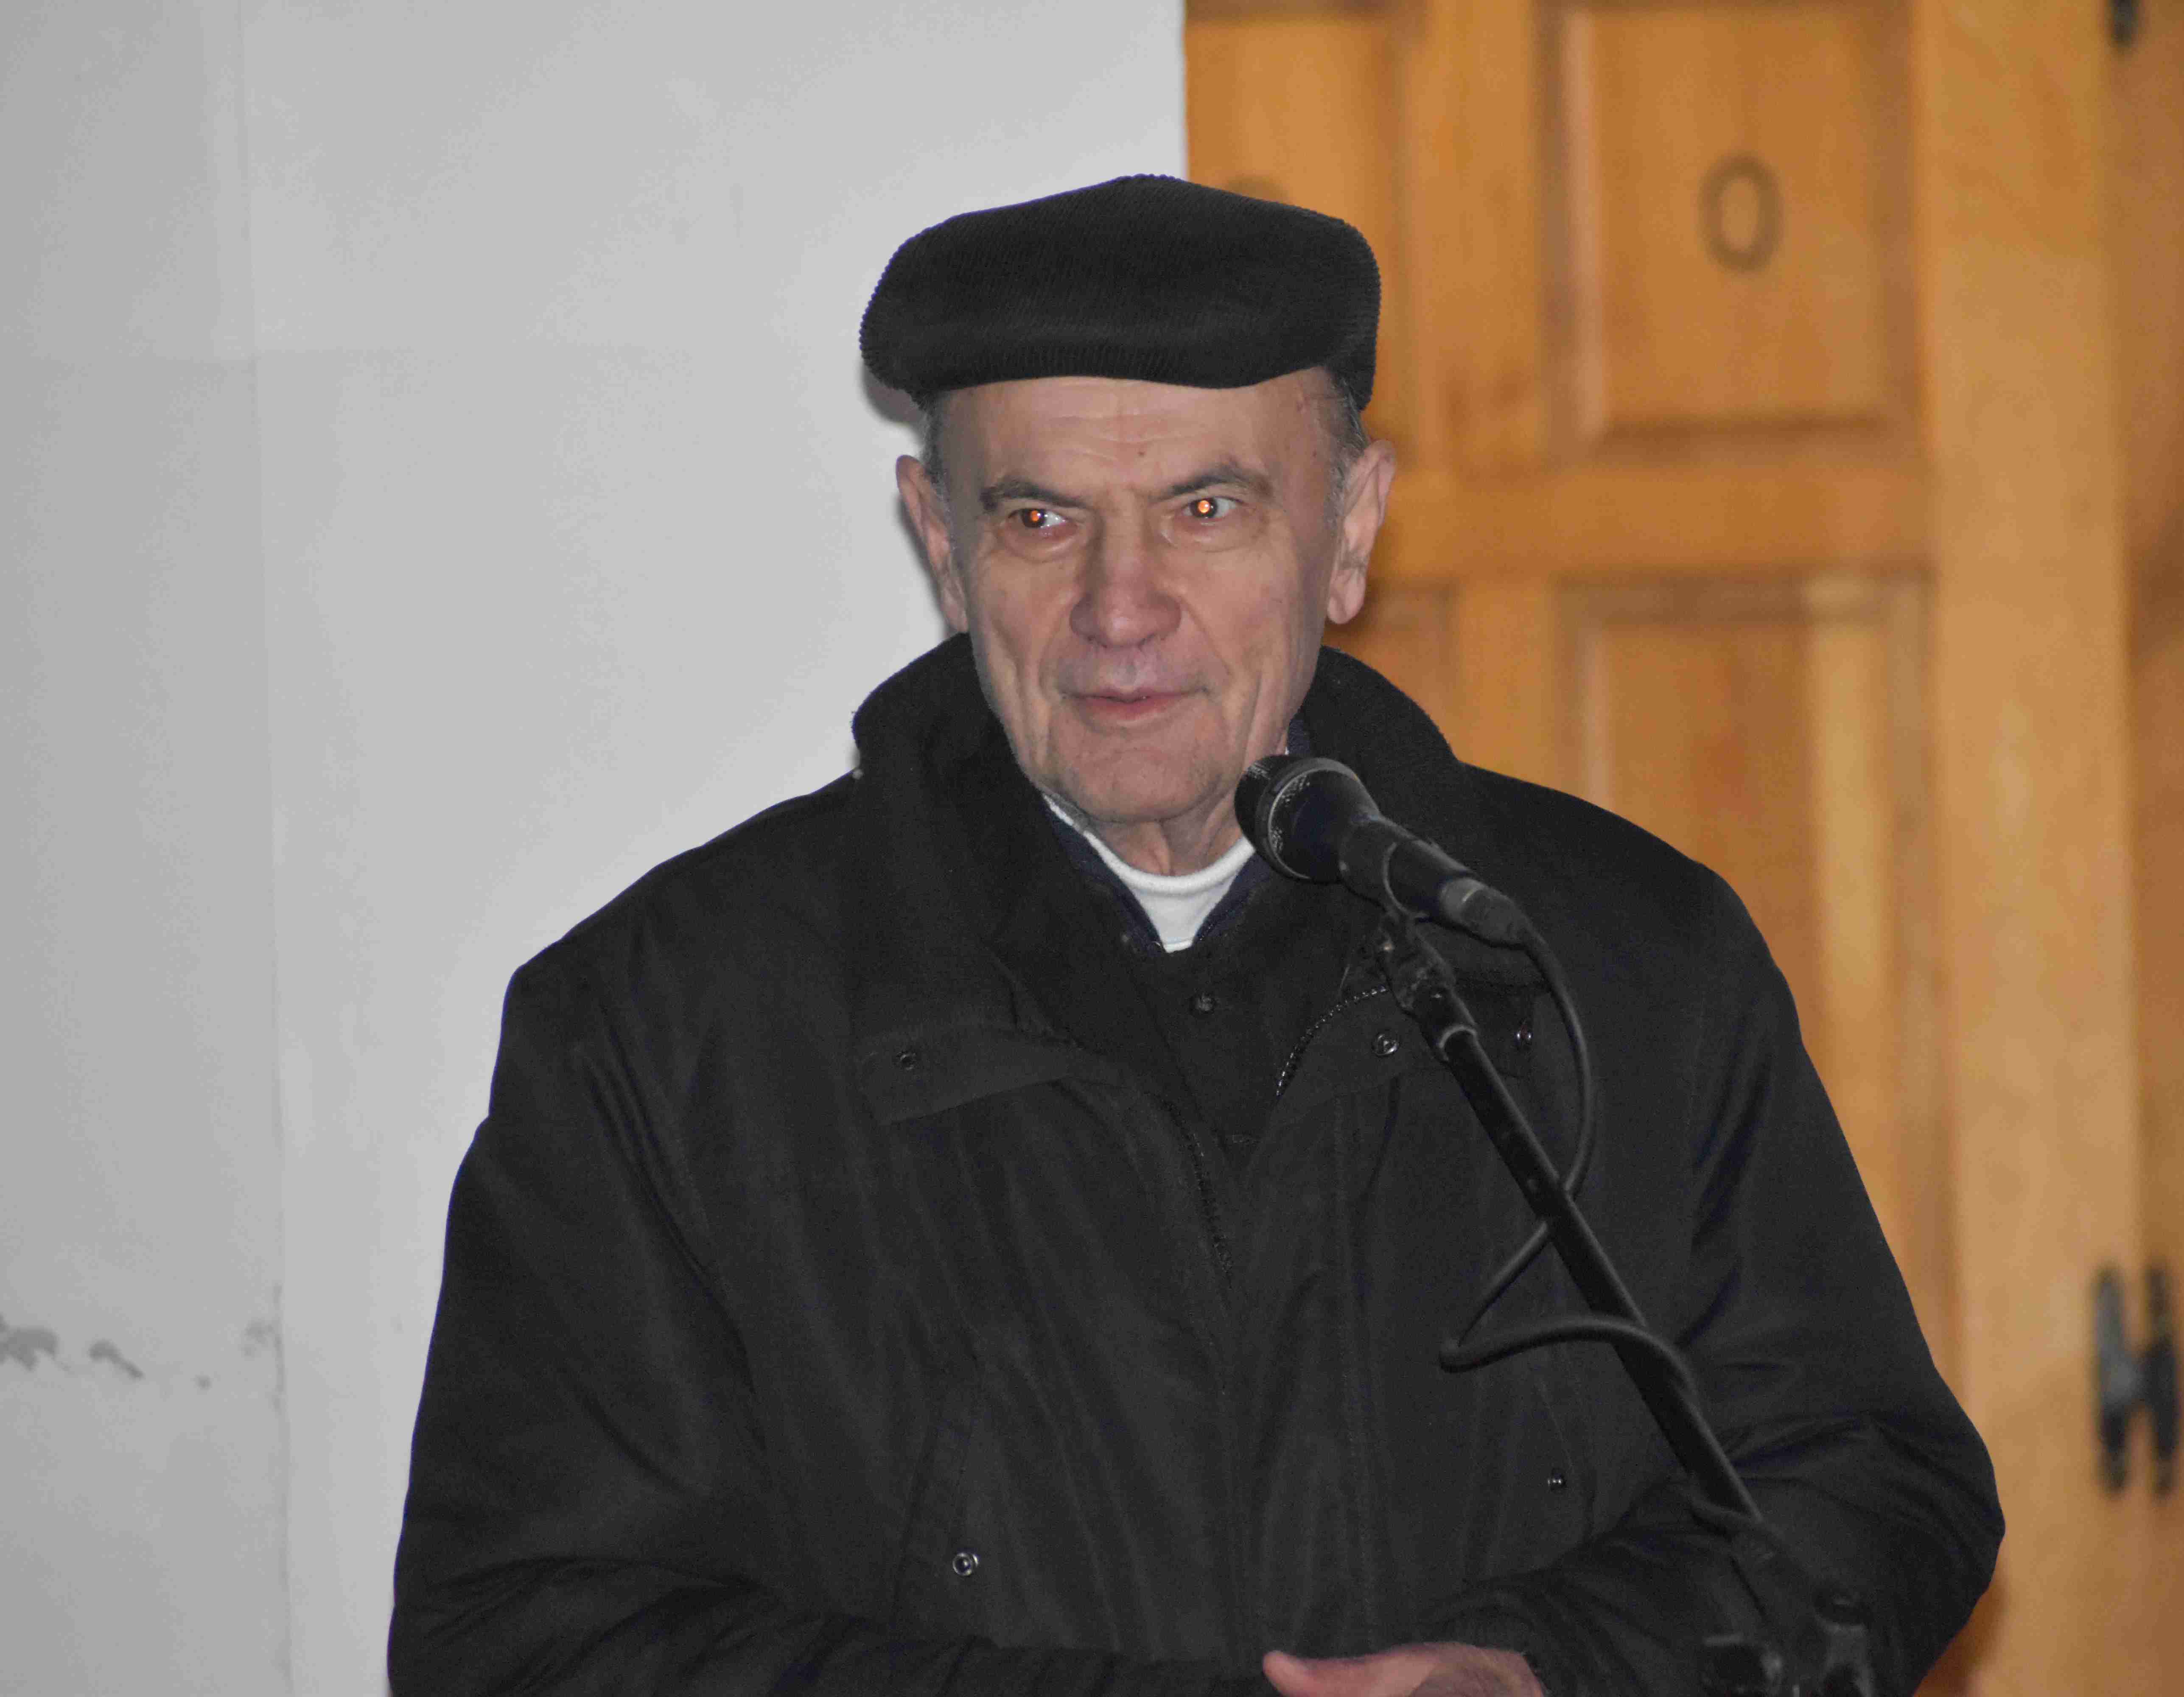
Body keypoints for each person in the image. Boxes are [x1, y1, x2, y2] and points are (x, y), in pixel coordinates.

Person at [390, 175, 1999, 1697]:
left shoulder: (1616, 960)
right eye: (1041, 519)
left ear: (1350, 528)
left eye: (1206, 509)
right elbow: (529, 1640)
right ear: (940, 542)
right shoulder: (665, 1028)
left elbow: (1867, 1487)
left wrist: (1549, 1669)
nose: (1121, 608)